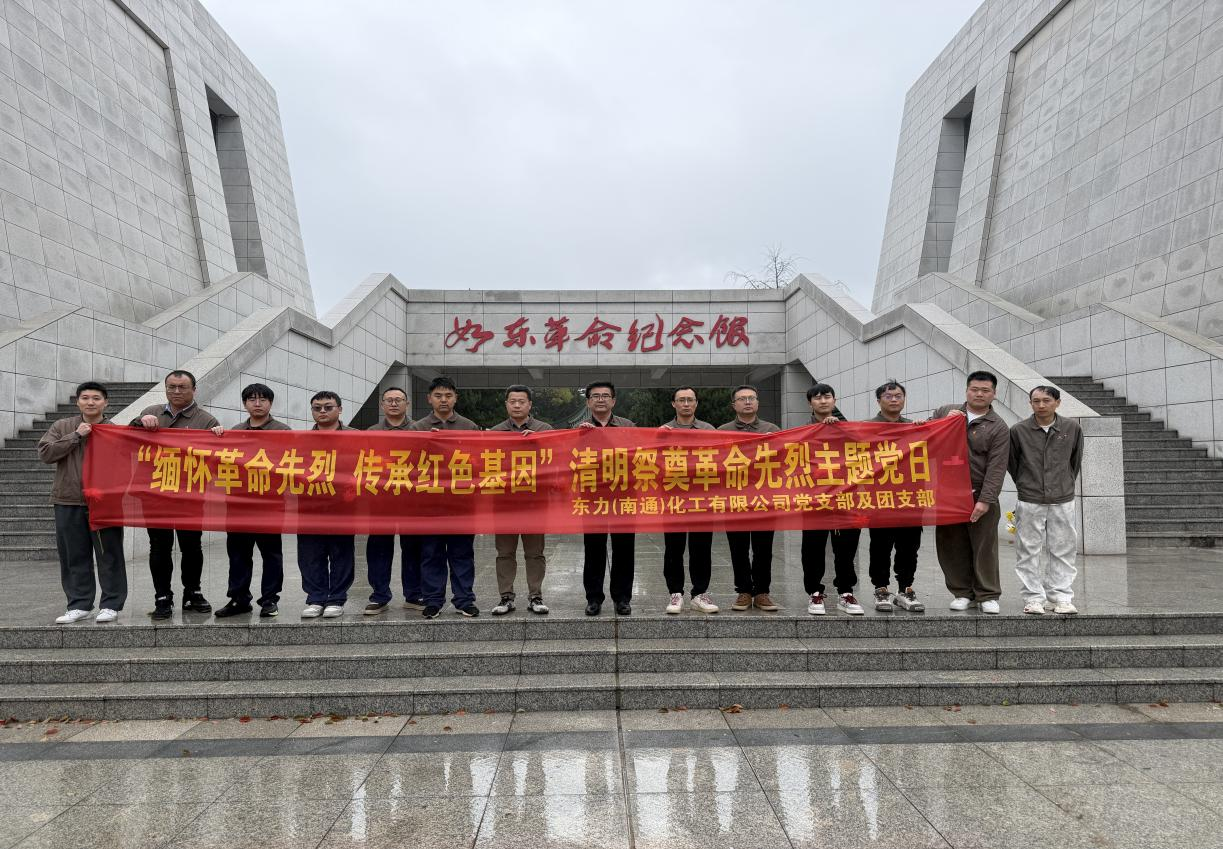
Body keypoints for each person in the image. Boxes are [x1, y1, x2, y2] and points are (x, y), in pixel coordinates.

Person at [131, 369, 224, 620]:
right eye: (171, 387)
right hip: (155, 492)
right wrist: (138, 422)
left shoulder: (207, 420)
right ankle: (162, 597)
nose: (176, 391)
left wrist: (219, 438)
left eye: (182, 387)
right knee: (159, 546)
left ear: (194, 390)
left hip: (190, 495)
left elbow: (217, 458)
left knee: (191, 546)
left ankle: (193, 592)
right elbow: (128, 440)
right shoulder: (151, 412)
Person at [39, 381, 126, 624]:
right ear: (78, 402)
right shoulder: (62, 426)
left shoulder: (114, 431)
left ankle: (111, 604)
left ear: (105, 403)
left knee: (109, 554)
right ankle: (79, 605)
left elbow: (126, 466)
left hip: (104, 504)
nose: (90, 402)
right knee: (73, 555)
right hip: (68, 500)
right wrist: (76, 435)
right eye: (85, 398)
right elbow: (46, 453)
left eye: (96, 398)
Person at [934, 371, 1010, 614]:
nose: (979, 394)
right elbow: (924, 438)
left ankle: (988, 594)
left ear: (994, 394)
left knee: (984, 546)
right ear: (966, 390)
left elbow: (997, 467)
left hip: (980, 493)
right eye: (974, 389)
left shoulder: (998, 426)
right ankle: (962, 592)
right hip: (948, 495)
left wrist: (986, 500)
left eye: (985, 390)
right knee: (951, 545)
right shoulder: (945, 411)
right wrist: (943, 422)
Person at [216, 383, 290, 619]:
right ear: (245, 403)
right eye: (252, 400)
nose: (257, 404)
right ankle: (239, 599)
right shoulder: (235, 431)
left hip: (270, 503)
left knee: (271, 554)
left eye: (262, 400)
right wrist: (216, 437)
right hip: (239, 503)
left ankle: (269, 599)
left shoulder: (283, 431)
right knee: (238, 554)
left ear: (270, 403)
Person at [1009, 385, 1083, 615]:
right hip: (1030, 498)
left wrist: (1064, 483)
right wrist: (1026, 484)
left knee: (1063, 549)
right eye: (1036, 401)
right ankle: (1033, 598)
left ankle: (1061, 597)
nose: (1041, 405)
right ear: (1030, 403)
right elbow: (1013, 463)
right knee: (1028, 550)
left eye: (1047, 400)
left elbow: (1075, 461)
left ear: (1057, 402)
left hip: (1062, 498)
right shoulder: (1019, 430)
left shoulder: (1072, 428)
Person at [412, 376, 481, 619]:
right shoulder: (417, 428)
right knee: (431, 553)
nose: (443, 400)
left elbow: (478, 461)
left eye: (448, 396)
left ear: (455, 398)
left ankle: (464, 600)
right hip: (429, 504)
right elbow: (408, 463)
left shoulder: (469, 427)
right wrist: (427, 443)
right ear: (429, 399)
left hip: (461, 503)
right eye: (438, 396)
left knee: (462, 554)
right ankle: (433, 600)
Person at [489, 385, 553, 616]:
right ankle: (506, 597)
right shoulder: (495, 432)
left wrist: (539, 441)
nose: (517, 405)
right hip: (504, 503)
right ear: (506, 404)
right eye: (512, 401)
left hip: (534, 503)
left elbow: (557, 459)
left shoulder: (544, 430)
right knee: (505, 552)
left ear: (530, 405)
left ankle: (536, 596)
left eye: (521, 401)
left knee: (535, 552)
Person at [801, 383, 864, 615]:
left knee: (846, 548)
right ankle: (814, 592)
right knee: (813, 548)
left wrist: (841, 428)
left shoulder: (849, 429)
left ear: (834, 401)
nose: (823, 401)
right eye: (817, 398)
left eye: (827, 396)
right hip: (814, 500)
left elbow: (866, 449)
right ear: (810, 404)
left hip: (846, 498)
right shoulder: (802, 432)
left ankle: (845, 592)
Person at [363, 387, 426, 615]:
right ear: (382, 404)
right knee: (378, 548)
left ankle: (414, 594)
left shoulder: (420, 430)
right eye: (389, 400)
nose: (393, 403)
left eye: (398, 400)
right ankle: (379, 596)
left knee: (413, 547)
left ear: (407, 404)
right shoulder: (371, 432)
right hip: (381, 500)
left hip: (412, 499)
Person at [718, 385, 781, 612]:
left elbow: (784, 461)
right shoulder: (722, 431)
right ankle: (743, 591)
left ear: (757, 403)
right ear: (733, 405)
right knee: (738, 548)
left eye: (751, 398)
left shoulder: (772, 430)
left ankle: (762, 592)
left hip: (764, 499)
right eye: (742, 399)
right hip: (734, 499)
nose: (747, 402)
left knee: (764, 548)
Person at [578, 381, 636, 616]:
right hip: (592, 496)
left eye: (605, 396)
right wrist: (581, 437)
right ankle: (594, 598)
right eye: (595, 396)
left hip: (624, 495)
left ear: (613, 401)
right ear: (588, 402)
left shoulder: (628, 426)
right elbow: (568, 459)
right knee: (593, 548)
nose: (600, 399)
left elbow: (638, 455)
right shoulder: (578, 429)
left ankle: (622, 598)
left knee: (624, 548)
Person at [866, 379, 925, 613]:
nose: (894, 400)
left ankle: (905, 588)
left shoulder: (914, 427)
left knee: (909, 546)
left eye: (898, 396)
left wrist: (924, 430)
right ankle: (881, 588)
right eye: (888, 396)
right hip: (879, 498)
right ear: (878, 400)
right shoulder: (866, 428)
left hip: (910, 497)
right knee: (880, 546)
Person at [660, 387, 718, 614]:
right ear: (673, 404)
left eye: (690, 400)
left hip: (702, 497)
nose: (686, 404)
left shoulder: (709, 430)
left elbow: (720, 459)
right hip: (673, 497)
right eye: (681, 400)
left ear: (696, 403)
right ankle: (675, 593)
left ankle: (699, 593)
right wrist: (657, 439)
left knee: (701, 546)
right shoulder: (663, 430)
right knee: (673, 547)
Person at [298, 391, 354, 619]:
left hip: (343, 505)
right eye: (317, 408)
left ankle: (337, 598)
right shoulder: (300, 440)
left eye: (328, 407)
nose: (322, 411)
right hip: (310, 505)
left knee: (341, 553)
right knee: (310, 554)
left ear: (340, 409)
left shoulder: (356, 437)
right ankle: (315, 598)